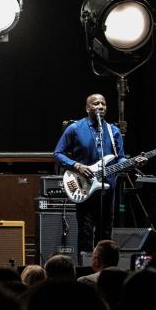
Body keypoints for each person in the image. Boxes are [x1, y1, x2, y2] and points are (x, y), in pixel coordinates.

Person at [54, 94, 135, 253]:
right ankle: (84, 268)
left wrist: (131, 163)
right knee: (85, 231)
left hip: (108, 188)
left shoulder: (113, 131)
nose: (100, 106)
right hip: (84, 186)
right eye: (96, 103)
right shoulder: (75, 128)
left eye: (103, 104)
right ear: (87, 108)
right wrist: (76, 165)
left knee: (105, 232)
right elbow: (58, 153)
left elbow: (120, 158)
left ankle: (104, 268)